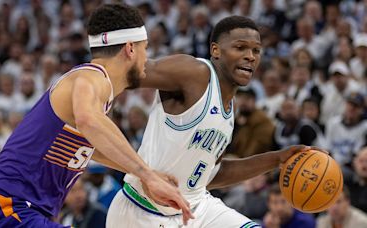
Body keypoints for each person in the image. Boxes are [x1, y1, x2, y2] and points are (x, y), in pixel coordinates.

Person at [0, 4, 192, 227]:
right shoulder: (91, 77)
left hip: (10, 207)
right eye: (146, 48)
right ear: (131, 48)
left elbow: (95, 149)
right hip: (4, 205)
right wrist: (148, 176)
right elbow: (89, 121)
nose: (147, 58)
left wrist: (146, 174)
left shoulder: (94, 92)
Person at [106, 15, 310, 227]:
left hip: (197, 208)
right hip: (142, 210)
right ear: (216, 50)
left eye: (256, 50)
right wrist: (89, 99)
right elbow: (127, 73)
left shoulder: (230, 110)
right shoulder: (195, 73)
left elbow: (211, 174)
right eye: (240, 47)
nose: (250, 56)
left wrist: (278, 159)